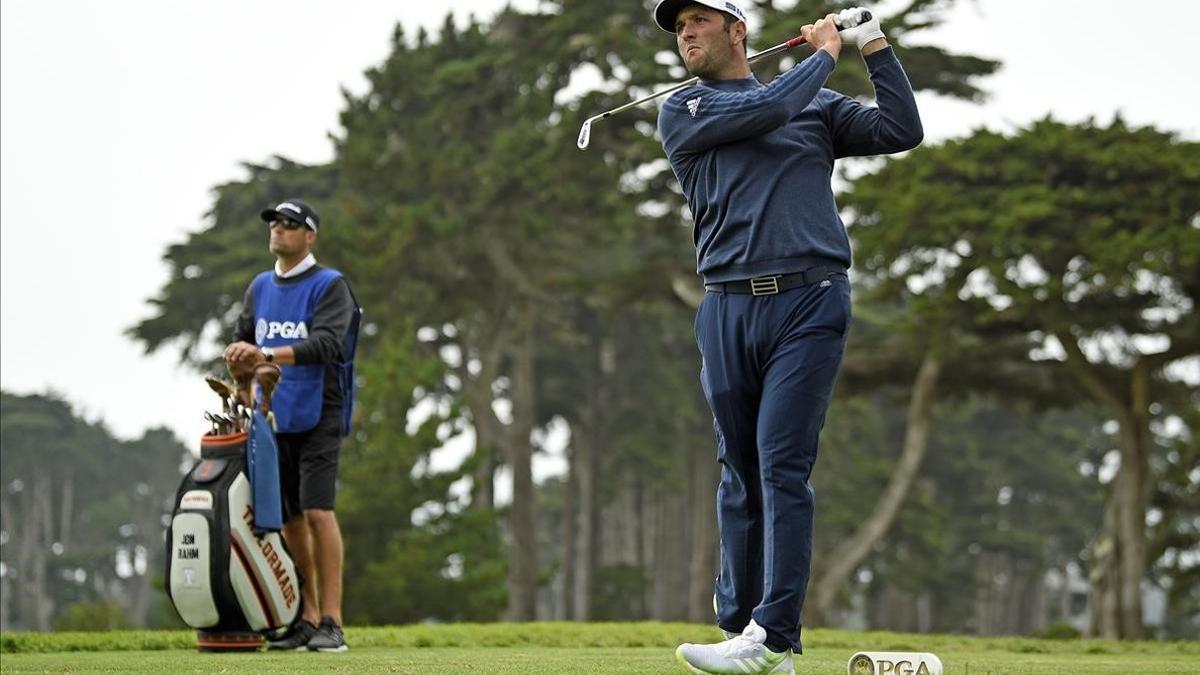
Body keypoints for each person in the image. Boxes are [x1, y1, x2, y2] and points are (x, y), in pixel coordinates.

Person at [652, 1, 922, 673]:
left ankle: (773, 636)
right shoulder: (684, 111)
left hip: (809, 300)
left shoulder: (817, 105)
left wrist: (871, 44)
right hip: (725, 305)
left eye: (699, 22)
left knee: (781, 465)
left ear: (736, 31)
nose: (686, 34)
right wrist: (823, 55)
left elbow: (900, 129)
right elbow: (765, 111)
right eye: (679, 26)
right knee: (738, 471)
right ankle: (741, 628)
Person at [223, 198, 362, 653]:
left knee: (319, 511)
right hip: (271, 414)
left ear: (309, 236)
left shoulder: (330, 285)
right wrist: (239, 358)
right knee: (290, 520)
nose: (278, 230)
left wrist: (266, 355)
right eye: (274, 224)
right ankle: (305, 617)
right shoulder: (260, 286)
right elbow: (246, 336)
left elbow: (325, 344)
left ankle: (332, 622)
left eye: (289, 225)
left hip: (319, 408)